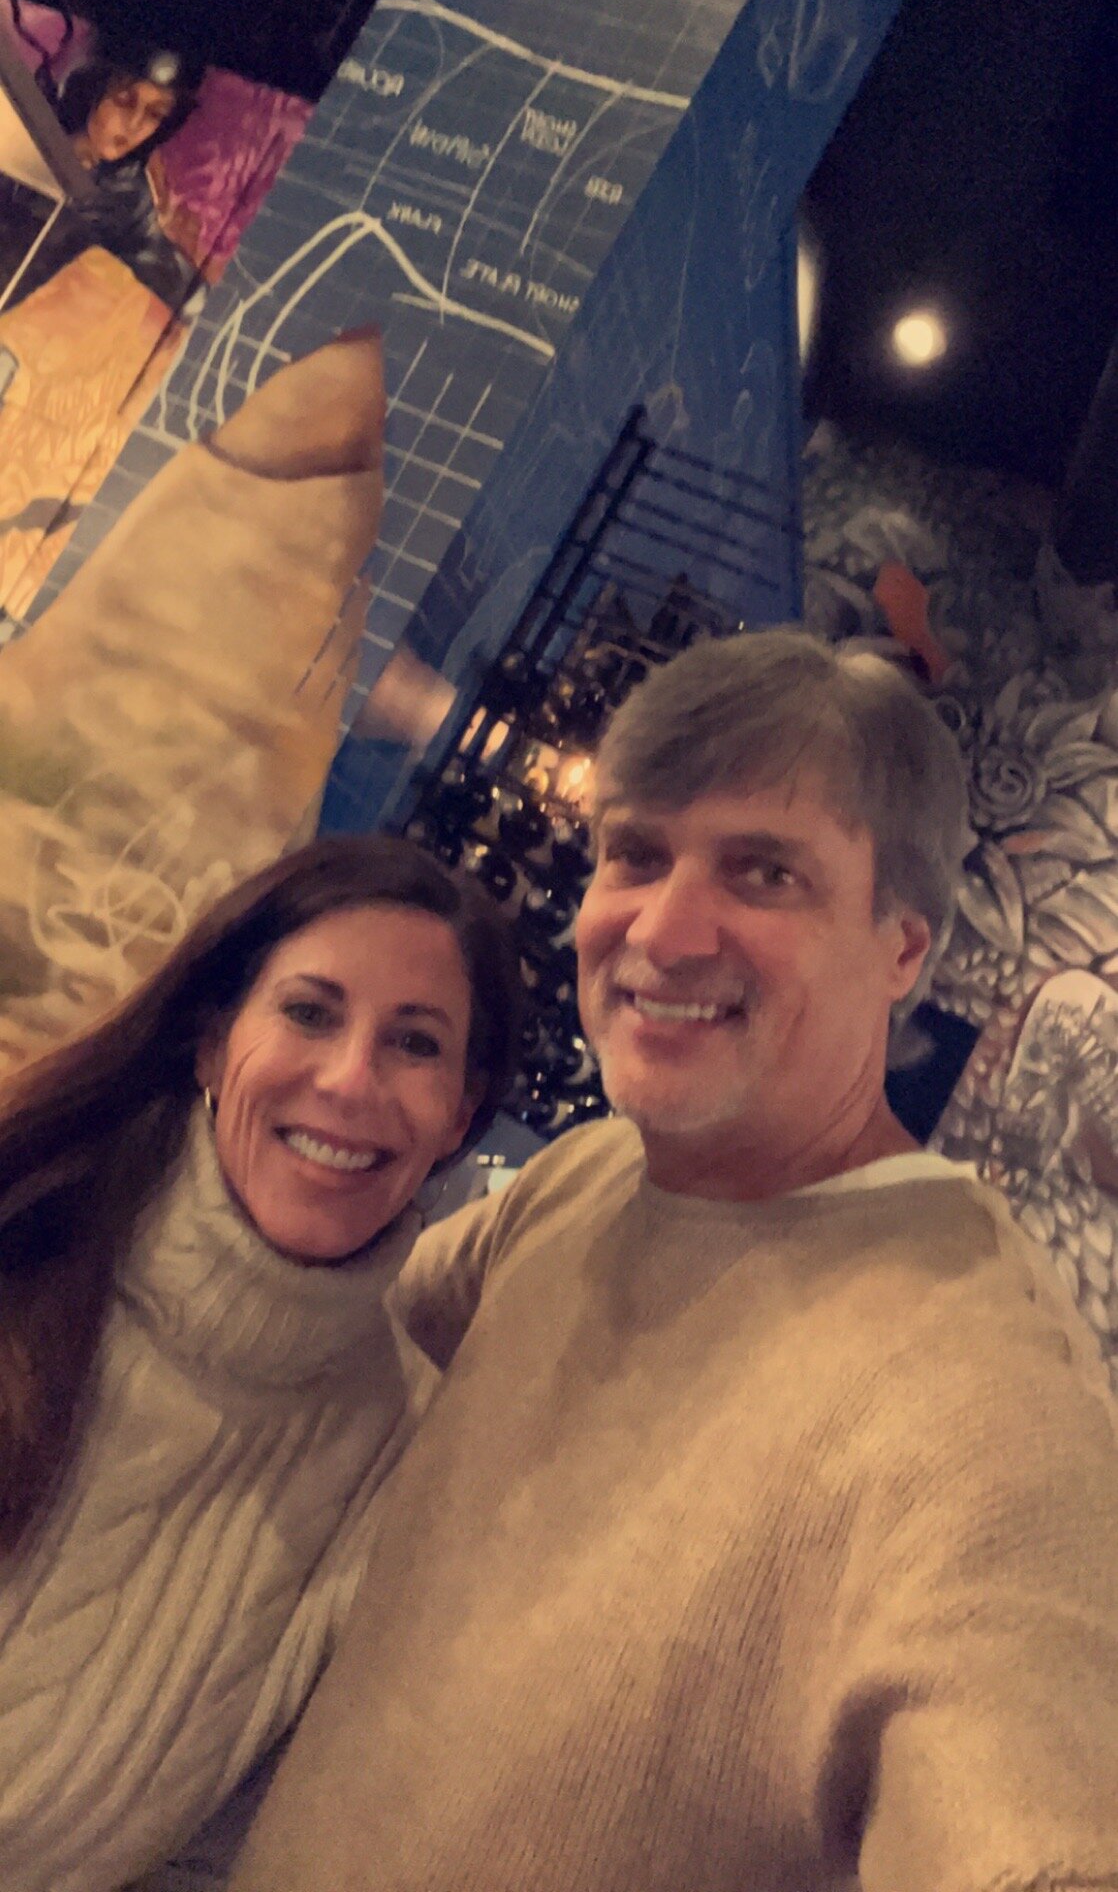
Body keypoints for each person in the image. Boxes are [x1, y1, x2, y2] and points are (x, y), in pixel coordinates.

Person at [231, 630, 1118, 1892]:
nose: (664, 926)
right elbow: (308, 1368)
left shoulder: (991, 1398)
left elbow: (1038, 1829)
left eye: (764, 872)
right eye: (635, 854)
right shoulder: (587, 1178)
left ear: (902, 948)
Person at [0, 833, 520, 1892]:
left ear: (459, 1118)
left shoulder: (402, 1468)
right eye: (309, 1012)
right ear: (211, 1040)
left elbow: (212, 1861)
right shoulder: (24, 1229)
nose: (350, 1078)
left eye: (414, 1043)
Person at [0, 44, 202, 315]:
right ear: (93, 88)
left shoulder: (126, 193)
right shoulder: (23, 121)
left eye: (155, 114)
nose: (134, 124)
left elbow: (179, 286)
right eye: (124, 100)